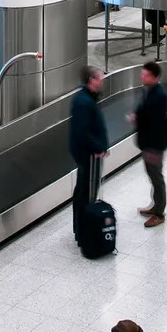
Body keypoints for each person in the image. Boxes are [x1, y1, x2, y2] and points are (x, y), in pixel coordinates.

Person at [128, 61, 167, 228]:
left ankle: (159, 213)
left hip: (154, 145)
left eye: (145, 75)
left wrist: (154, 149)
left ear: (155, 77)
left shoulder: (159, 96)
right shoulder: (150, 91)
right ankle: (155, 205)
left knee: (157, 178)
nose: (142, 76)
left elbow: (157, 125)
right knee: (152, 176)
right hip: (148, 143)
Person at [69, 65, 108, 242]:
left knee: (84, 190)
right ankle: (82, 229)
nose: (103, 80)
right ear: (92, 80)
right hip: (88, 155)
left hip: (89, 153)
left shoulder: (87, 98)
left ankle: (82, 227)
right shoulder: (83, 102)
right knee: (85, 192)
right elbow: (82, 132)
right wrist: (98, 147)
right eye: (100, 77)